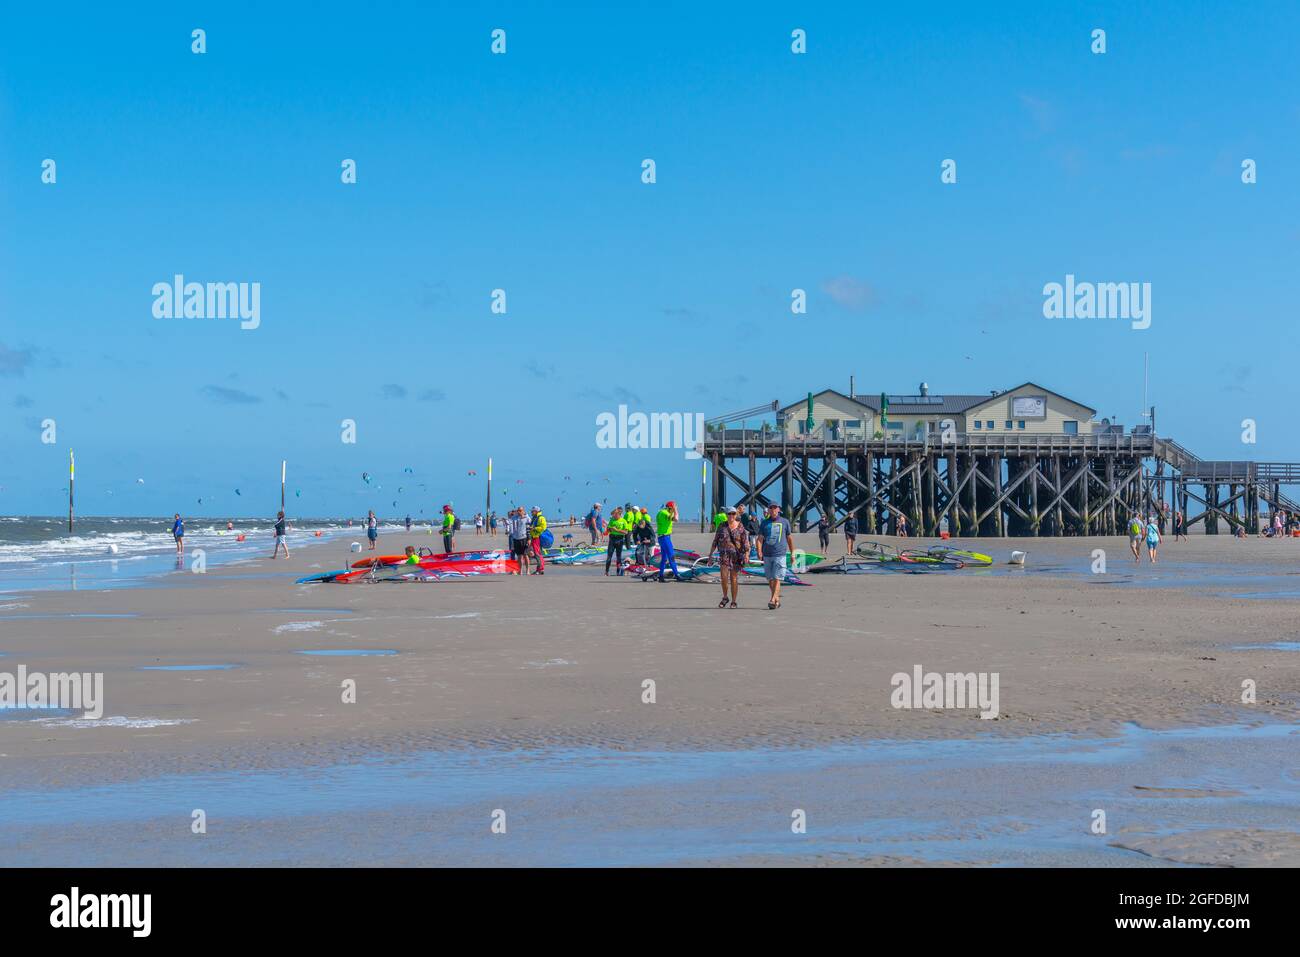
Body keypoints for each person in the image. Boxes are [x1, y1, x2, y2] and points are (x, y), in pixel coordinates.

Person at [708, 507, 749, 608]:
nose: (731, 516)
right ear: (726, 515)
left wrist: (747, 554)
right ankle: (725, 597)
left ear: (736, 515)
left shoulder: (740, 526)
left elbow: (745, 542)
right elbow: (715, 541)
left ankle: (734, 601)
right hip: (724, 555)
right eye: (729, 514)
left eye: (733, 514)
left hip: (736, 556)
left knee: (734, 578)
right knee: (724, 578)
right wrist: (710, 554)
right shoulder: (722, 526)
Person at [760, 503, 794, 610]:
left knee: (777, 577)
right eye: (771, 508)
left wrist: (792, 553)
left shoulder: (784, 522)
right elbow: (760, 539)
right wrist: (759, 551)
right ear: (768, 510)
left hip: (780, 554)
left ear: (778, 509)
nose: (773, 510)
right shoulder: (764, 523)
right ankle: (777, 600)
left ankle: (772, 598)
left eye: (775, 508)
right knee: (770, 579)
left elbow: (789, 538)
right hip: (767, 554)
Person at [655, 500, 682, 581]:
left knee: (664, 558)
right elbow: (676, 519)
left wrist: (673, 510)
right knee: (671, 556)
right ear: (670, 508)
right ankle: (677, 575)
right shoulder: (665, 513)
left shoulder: (662, 512)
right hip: (665, 537)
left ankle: (661, 576)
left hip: (662, 537)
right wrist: (675, 510)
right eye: (673, 508)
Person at [605, 507, 629, 576]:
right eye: (613, 515)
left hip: (619, 539)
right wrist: (610, 529)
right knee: (609, 556)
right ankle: (606, 572)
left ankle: (618, 572)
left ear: (619, 515)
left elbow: (626, 532)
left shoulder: (623, 521)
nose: (614, 516)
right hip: (612, 539)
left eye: (615, 515)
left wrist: (617, 530)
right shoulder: (612, 520)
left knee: (619, 557)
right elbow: (608, 529)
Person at [506, 507, 531, 574]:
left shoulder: (527, 518)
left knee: (525, 555)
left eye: (520, 510)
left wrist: (529, 539)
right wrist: (512, 513)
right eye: (518, 511)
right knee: (519, 556)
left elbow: (529, 529)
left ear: (523, 511)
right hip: (516, 538)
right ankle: (520, 570)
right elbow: (509, 519)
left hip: (524, 538)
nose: (519, 512)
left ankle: (528, 570)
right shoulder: (514, 518)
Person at [528, 506, 547, 574]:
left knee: (538, 553)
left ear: (536, 511)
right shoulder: (535, 518)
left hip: (537, 537)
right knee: (536, 553)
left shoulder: (541, 518)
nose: (531, 512)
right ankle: (539, 569)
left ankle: (541, 569)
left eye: (532, 511)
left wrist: (534, 528)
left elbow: (543, 527)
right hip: (534, 537)